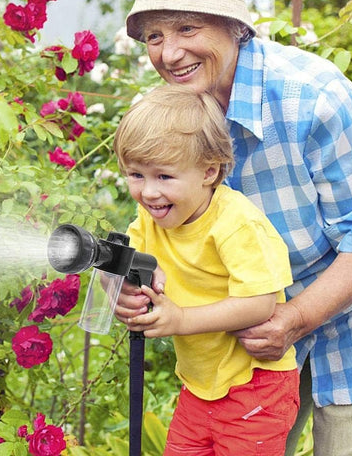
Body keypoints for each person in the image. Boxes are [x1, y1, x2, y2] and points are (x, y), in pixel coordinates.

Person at [113, 0, 352, 455]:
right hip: (243, 353)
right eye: (154, 36)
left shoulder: (314, 100)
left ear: (236, 26)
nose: (168, 54)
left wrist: (295, 318)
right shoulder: (174, 114)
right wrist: (135, 283)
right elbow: (161, 222)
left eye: (187, 28)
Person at [113, 84, 300, 455]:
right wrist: (122, 291)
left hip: (256, 387)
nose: (148, 192)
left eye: (164, 176)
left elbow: (260, 304)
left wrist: (180, 319)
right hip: (198, 389)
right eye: (135, 174)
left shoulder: (236, 223)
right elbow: (129, 260)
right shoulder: (153, 216)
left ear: (208, 171)